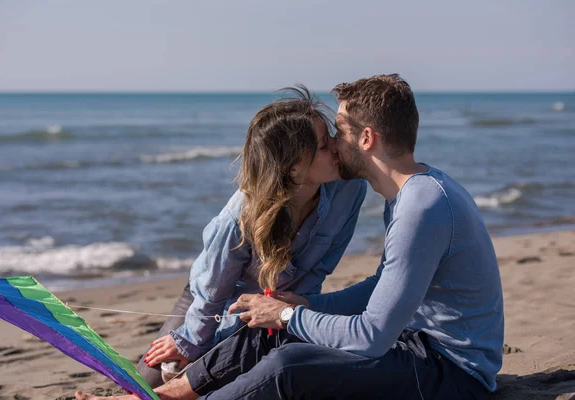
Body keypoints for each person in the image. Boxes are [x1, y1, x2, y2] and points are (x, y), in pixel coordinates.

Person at [77, 73, 504, 400]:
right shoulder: (408, 195)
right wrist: (303, 308)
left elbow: (372, 337)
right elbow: (385, 286)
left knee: (288, 363)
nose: (336, 143)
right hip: (417, 344)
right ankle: (167, 394)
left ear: (368, 138)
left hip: (453, 371)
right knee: (280, 330)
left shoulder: (419, 205)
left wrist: (286, 316)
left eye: (339, 131)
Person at [74, 86, 366, 400]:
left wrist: (289, 317)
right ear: (293, 166)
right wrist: (189, 342)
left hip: (277, 301)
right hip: (210, 297)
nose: (337, 148)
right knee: (152, 379)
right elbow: (213, 291)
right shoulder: (240, 215)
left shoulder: (349, 191)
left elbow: (317, 274)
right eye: (324, 145)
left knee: (235, 374)